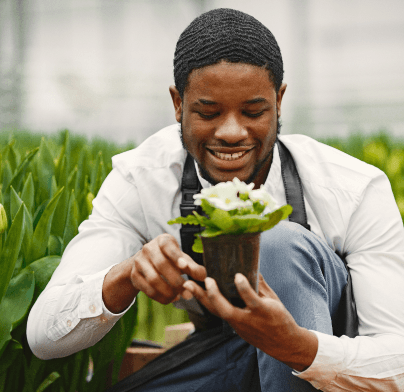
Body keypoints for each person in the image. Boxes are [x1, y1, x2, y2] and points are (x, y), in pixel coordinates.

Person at [27, 8, 404, 391]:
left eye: (254, 111)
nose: (231, 132)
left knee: (278, 241)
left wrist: (297, 345)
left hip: (328, 366)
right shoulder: (144, 179)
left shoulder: (352, 189)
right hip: (223, 354)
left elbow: (399, 363)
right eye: (207, 112)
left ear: (280, 101)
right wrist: (126, 275)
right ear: (178, 104)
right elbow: (44, 336)